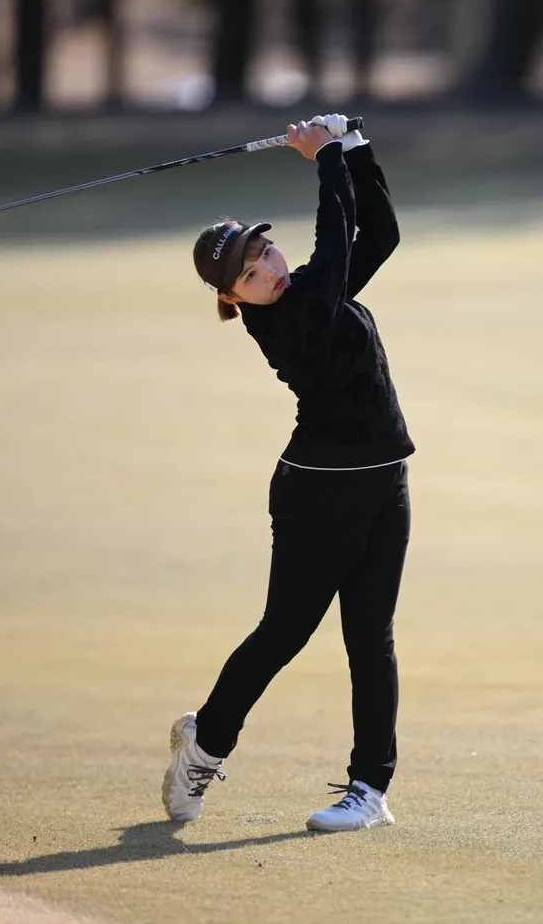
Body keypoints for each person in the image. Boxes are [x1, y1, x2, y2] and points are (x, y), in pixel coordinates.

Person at [163, 114, 413, 833]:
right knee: (285, 631)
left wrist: (355, 148)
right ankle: (205, 745)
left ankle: (369, 788)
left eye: (265, 252)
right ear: (234, 299)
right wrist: (325, 157)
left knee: (372, 637)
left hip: (384, 477)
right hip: (320, 492)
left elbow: (379, 236)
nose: (269, 269)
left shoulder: (310, 291)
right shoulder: (286, 322)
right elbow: (334, 248)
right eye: (250, 273)